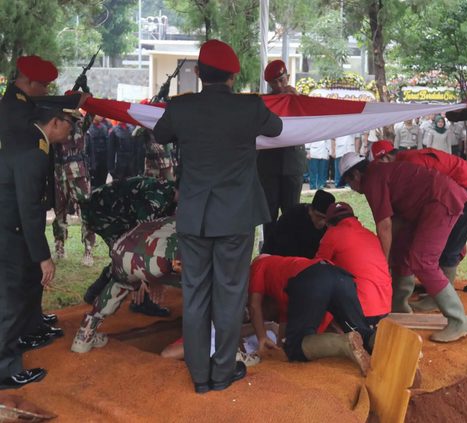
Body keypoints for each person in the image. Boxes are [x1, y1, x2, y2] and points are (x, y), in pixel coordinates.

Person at [153, 40, 283, 394]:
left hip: (195, 216)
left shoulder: (180, 108)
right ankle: (222, 372)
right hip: (236, 217)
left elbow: (159, 134)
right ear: (232, 76)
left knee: (194, 295)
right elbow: (277, 130)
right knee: (229, 294)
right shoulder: (250, 106)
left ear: (197, 73)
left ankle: (199, 376)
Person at [338, 152, 467, 343]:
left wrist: (381, 267)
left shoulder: (372, 180)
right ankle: (399, 305)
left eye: (348, 182)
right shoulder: (378, 173)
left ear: (356, 175)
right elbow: (393, 224)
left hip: (439, 201)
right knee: (401, 245)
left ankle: (459, 321)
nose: (350, 188)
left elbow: (384, 225)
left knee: (423, 262)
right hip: (428, 204)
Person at [0, 56, 89, 343]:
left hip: (23, 198)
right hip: (15, 202)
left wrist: (75, 99)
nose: (46, 90)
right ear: (27, 83)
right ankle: (18, 336)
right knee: (20, 278)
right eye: (44, 86)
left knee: (29, 273)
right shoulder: (14, 108)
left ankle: (31, 321)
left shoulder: (24, 102)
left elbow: (47, 105)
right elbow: (47, 111)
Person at [0, 95, 81, 390]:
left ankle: (19, 341)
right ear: (55, 121)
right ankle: (5, 372)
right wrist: (43, 257)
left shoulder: (35, 142)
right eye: (69, 124)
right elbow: (29, 210)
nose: (71, 131)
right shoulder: (34, 151)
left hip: (12, 228)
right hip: (8, 232)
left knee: (18, 291)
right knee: (9, 300)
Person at [371, 141, 467, 297]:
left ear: (387, 158)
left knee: (449, 247)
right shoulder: (408, 158)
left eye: (379, 165)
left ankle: (440, 299)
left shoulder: (410, 162)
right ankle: (439, 292)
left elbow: (431, 193)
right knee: (447, 243)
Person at [248, 255, 375, 376]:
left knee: (296, 346)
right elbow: (285, 331)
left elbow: (254, 304)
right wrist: (280, 348)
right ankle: (377, 338)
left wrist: (262, 337)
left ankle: (346, 343)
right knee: (360, 332)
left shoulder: (258, 264)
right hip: (340, 276)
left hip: (313, 280)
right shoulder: (285, 276)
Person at [71, 216, 180, 353]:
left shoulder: (166, 220)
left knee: (119, 285)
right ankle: (204, 333)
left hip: (121, 250)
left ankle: (83, 337)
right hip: (159, 259)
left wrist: (151, 279)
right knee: (199, 284)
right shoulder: (197, 223)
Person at [315, 202, 392, 325]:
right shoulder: (370, 235)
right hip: (384, 308)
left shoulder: (333, 234)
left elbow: (316, 267)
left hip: (360, 312)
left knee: (319, 283)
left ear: (329, 223)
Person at [257, 59, 307, 248]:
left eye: (282, 80)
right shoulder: (264, 102)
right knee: (268, 214)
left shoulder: (300, 98)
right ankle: (269, 250)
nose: (279, 86)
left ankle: (290, 250)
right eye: (274, 83)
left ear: (288, 77)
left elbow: (309, 123)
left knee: (292, 211)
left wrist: (297, 99)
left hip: (293, 162)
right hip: (268, 164)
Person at [52, 91, 96, 266]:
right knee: (59, 213)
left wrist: (86, 91)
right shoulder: (56, 125)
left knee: (86, 212)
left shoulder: (81, 125)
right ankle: (59, 248)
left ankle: (88, 251)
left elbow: (91, 112)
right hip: (59, 173)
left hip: (79, 174)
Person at [261, 190, 335, 259]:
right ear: (310, 210)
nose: (322, 222)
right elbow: (281, 245)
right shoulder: (293, 216)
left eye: (325, 218)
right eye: (319, 217)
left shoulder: (331, 223)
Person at [86, 115, 109, 188]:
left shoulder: (105, 127)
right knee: (93, 184)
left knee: (102, 183)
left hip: (103, 160)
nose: (100, 116)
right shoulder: (88, 128)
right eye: (98, 114)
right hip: (93, 159)